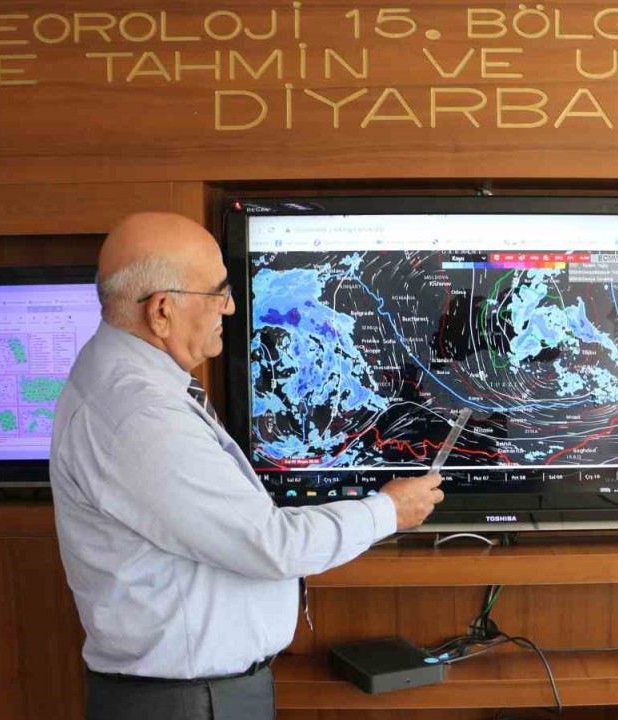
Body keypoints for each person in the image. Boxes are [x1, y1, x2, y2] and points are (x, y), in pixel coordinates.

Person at [50, 212, 445, 720]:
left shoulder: (113, 372)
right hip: (189, 702)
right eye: (219, 293)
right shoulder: (142, 415)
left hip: (188, 693)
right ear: (162, 311)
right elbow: (272, 545)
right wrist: (389, 511)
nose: (231, 307)